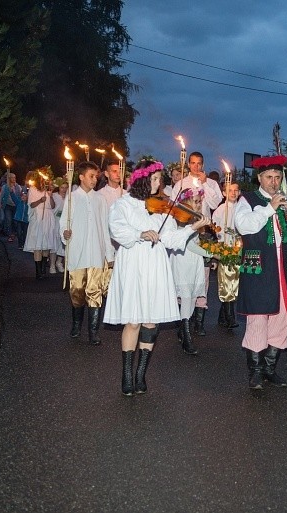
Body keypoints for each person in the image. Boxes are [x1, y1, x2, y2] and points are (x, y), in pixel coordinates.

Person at [103, 159, 210, 395]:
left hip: (156, 264)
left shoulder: (163, 207)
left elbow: (171, 239)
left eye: (159, 179)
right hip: (133, 263)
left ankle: (141, 373)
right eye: (153, 179)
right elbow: (116, 229)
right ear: (142, 179)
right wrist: (139, 233)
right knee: (133, 320)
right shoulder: (124, 204)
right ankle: (127, 375)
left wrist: (192, 228)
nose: (158, 183)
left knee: (151, 321)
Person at [234, 155, 287, 390]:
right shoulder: (248, 200)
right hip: (259, 267)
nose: (274, 182)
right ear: (259, 178)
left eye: (278, 177)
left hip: (283, 268)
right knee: (258, 318)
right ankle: (255, 372)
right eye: (269, 177)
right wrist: (269, 208)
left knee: (283, 318)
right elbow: (244, 226)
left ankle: (269, 368)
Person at [59, 162, 114, 345]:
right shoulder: (72, 198)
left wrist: (109, 254)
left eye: (96, 176)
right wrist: (65, 233)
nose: (94, 179)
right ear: (81, 177)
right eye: (91, 176)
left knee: (94, 292)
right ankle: (76, 323)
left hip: (97, 253)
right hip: (78, 251)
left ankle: (93, 331)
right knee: (77, 291)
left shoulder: (100, 199)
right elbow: (64, 225)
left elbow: (105, 228)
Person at [170, 151, 223, 335]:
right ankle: (184, 319)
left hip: (205, 232)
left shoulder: (212, 183)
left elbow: (215, 203)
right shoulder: (181, 183)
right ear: (188, 164)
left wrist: (204, 184)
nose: (196, 167)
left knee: (204, 277)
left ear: (203, 164)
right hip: (186, 229)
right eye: (192, 163)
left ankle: (198, 320)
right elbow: (173, 205)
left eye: (199, 163)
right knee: (185, 276)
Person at [169, 187, 213, 355]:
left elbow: (196, 241)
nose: (199, 204)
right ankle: (186, 337)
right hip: (183, 260)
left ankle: (182, 328)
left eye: (200, 201)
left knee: (193, 296)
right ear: (186, 201)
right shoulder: (181, 217)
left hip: (193, 262)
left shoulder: (194, 216)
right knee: (186, 297)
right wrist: (211, 253)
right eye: (195, 201)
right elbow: (188, 244)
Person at [211, 179, 241, 330]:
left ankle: (223, 316)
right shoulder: (221, 209)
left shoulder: (242, 209)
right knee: (226, 281)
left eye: (236, 190)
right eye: (230, 190)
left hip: (239, 248)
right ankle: (230, 317)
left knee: (235, 282)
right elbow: (216, 228)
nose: (233, 193)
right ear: (224, 193)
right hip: (226, 249)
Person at [97, 161, 127, 294]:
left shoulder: (127, 194)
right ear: (106, 174)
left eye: (119, 171)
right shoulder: (100, 195)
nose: (118, 174)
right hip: (107, 238)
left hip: (124, 240)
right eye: (114, 171)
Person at [23, 171, 57, 279]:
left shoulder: (47, 190)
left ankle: (43, 268)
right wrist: (40, 200)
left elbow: (52, 206)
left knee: (46, 244)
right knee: (38, 244)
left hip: (47, 217)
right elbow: (32, 204)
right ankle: (38, 272)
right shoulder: (33, 189)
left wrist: (50, 197)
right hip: (38, 217)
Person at [51, 181, 69, 273]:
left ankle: (59, 262)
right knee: (55, 243)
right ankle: (52, 265)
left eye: (66, 187)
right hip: (55, 221)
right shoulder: (54, 195)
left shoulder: (69, 196)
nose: (64, 190)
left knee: (63, 244)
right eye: (62, 187)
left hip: (64, 221)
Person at [0, 173, 20, 242]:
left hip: (15, 206)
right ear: (9, 178)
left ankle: (14, 233)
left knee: (15, 221)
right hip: (8, 205)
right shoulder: (5, 187)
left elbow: (20, 195)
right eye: (12, 177)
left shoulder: (18, 187)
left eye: (15, 177)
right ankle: (10, 235)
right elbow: (1, 196)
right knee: (9, 220)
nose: (14, 179)